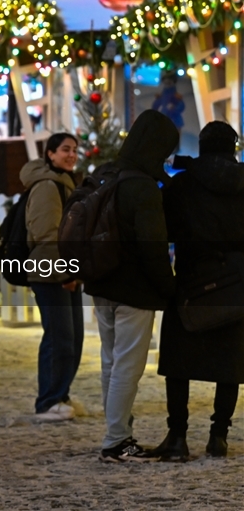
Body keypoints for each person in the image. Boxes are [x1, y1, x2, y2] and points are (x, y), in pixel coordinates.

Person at [84, 109, 178, 462]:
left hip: (101, 283)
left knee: (111, 360)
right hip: (133, 290)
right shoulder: (143, 188)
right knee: (127, 366)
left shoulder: (105, 173)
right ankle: (116, 439)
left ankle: (116, 431)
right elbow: (153, 248)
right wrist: (168, 289)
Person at [151, 121, 243, 460]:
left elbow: (163, 230)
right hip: (237, 283)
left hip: (190, 281)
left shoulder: (181, 186)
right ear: (232, 147)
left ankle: (177, 436)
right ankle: (218, 436)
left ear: (202, 147)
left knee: (178, 362)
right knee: (231, 362)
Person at [19, 133, 82, 421]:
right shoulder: (47, 186)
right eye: (65, 150)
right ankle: (48, 400)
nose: (71, 155)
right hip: (50, 272)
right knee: (59, 338)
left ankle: (61, 393)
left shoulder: (65, 183)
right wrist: (65, 272)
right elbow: (47, 235)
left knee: (72, 338)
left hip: (64, 271)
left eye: (74, 150)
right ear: (50, 154)